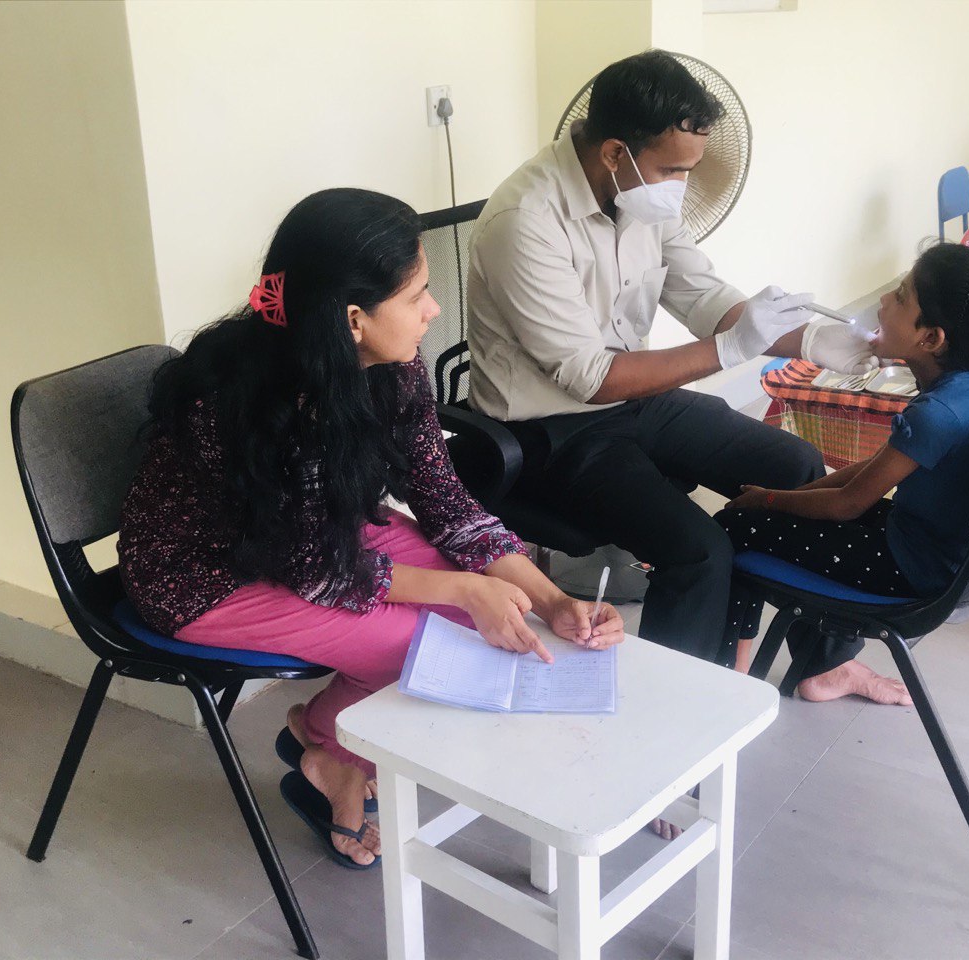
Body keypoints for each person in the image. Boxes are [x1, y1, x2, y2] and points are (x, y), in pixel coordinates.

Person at [118, 188, 625, 870]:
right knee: (426, 651)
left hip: (314, 537)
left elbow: (446, 503)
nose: (433, 309)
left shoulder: (391, 367)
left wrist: (553, 599)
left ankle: (320, 740)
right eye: (417, 295)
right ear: (353, 318)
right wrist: (464, 590)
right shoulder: (246, 404)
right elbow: (315, 571)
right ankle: (334, 755)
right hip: (204, 575)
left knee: (480, 617)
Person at [468, 49, 904, 701]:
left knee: (794, 465)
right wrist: (732, 349)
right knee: (698, 551)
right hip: (549, 432)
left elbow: (704, 296)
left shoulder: (640, 196)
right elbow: (590, 377)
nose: (680, 184)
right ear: (614, 152)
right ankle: (671, 717)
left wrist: (812, 339)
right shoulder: (525, 220)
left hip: (634, 400)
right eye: (672, 169)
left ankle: (824, 662)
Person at [717, 243, 969, 698]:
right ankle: (821, 669)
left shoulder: (937, 414)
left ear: (931, 339)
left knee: (735, 525)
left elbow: (847, 505)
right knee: (795, 501)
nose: (883, 301)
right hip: (947, 557)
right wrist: (788, 497)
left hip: (913, 570)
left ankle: (729, 681)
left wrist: (765, 500)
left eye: (901, 297)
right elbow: (874, 470)